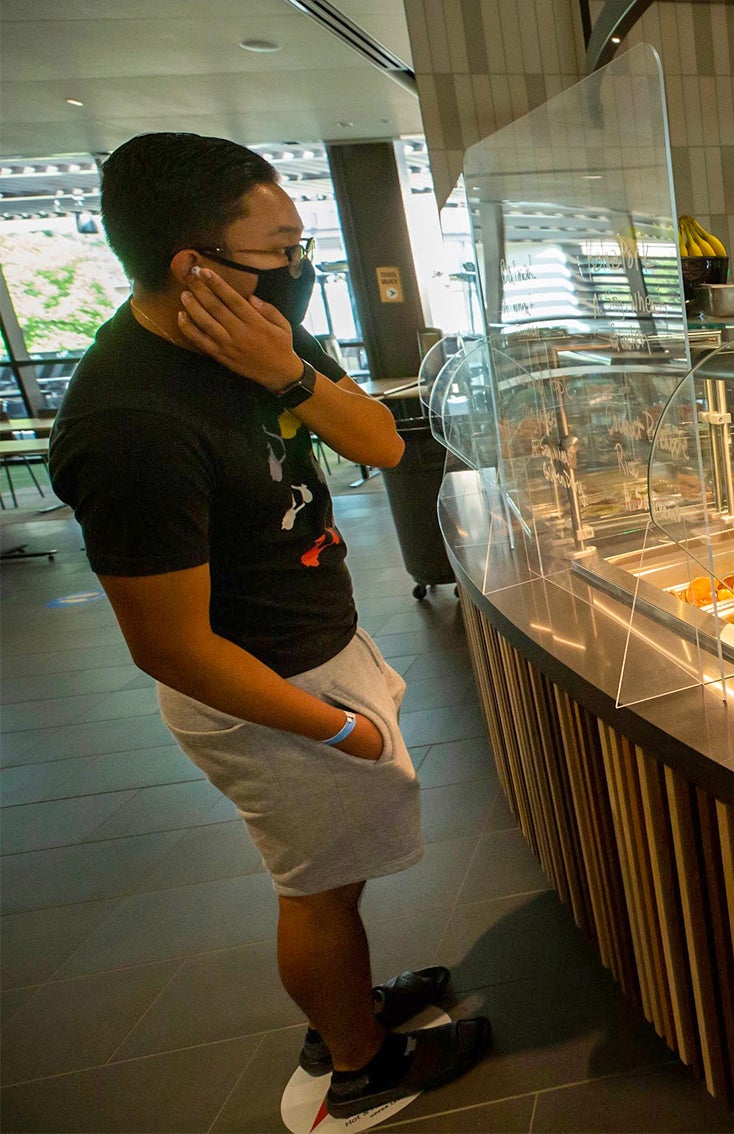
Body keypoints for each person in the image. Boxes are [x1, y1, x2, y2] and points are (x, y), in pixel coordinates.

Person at [47, 132, 490, 1120]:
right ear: (192, 264)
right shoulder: (130, 424)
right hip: (269, 693)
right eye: (280, 249)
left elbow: (379, 440)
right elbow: (168, 647)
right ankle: (361, 1062)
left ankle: (347, 1005)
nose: (299, 268)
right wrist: (337, 727)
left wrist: (286, 372)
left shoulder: (258, 338)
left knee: (339, 870)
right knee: (317, 888)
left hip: (322, 650)